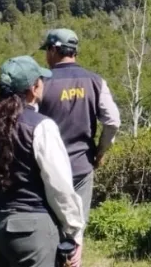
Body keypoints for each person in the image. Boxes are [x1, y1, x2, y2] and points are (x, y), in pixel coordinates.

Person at [0, 56, 84, 267]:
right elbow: (59, 185)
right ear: (34, 87)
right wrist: (74, 230)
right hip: (32, 228)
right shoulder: (41, 126)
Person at [37, 29, 120, 225]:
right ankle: (74, 255)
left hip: (47, 167)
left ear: (52, 50)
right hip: (82, 165)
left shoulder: (41, 83)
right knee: (77, 226)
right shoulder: (95, 81)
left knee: (50, 224)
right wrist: (100, 152)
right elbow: (113, 121)